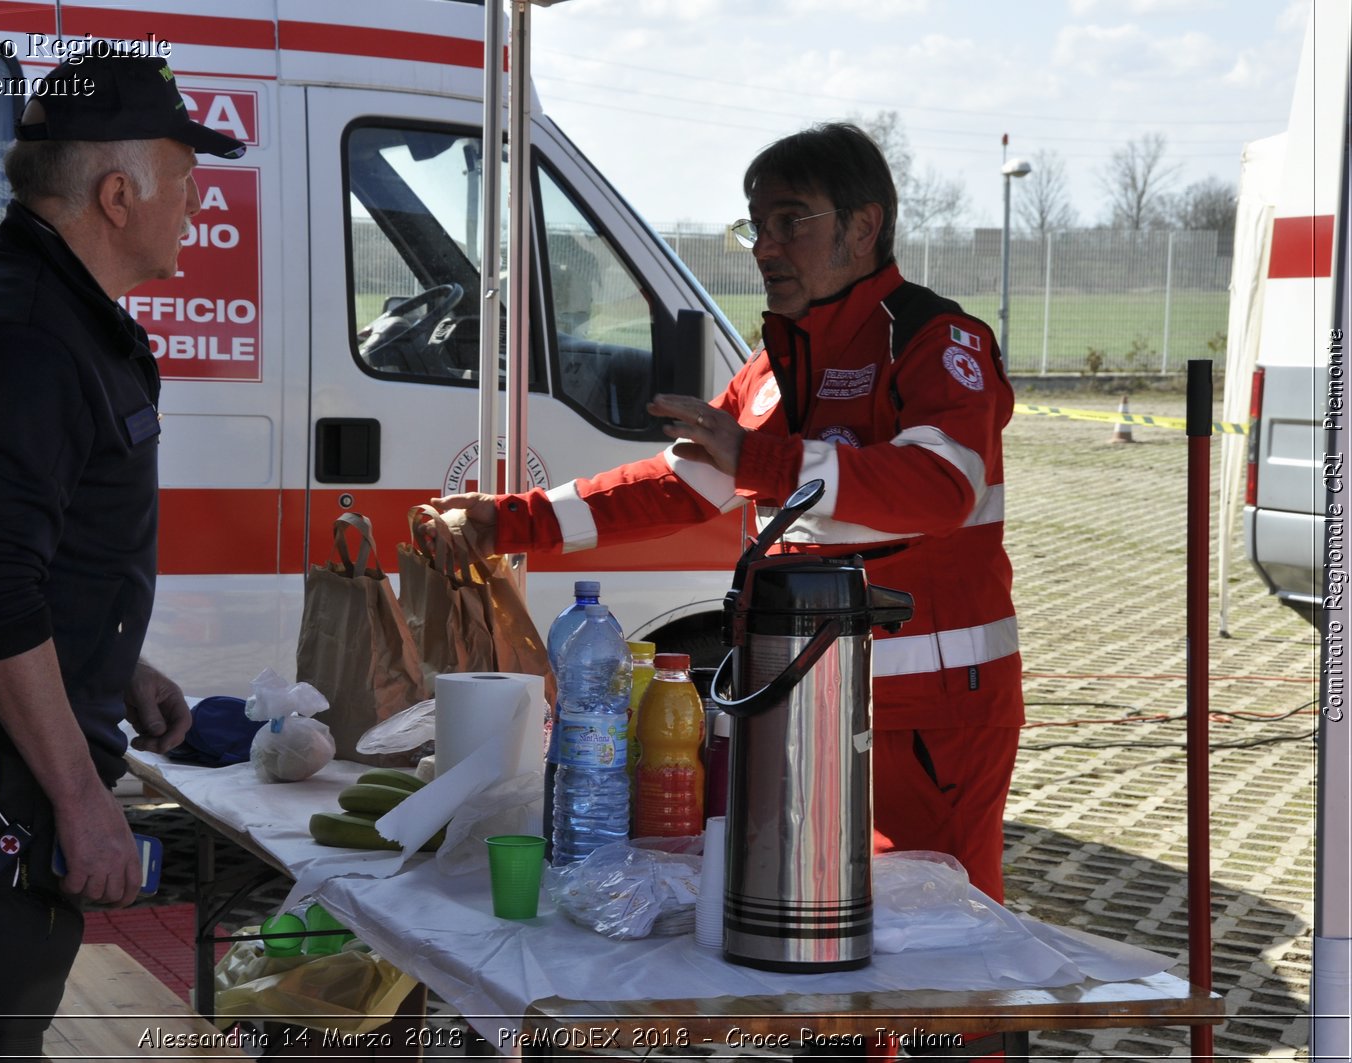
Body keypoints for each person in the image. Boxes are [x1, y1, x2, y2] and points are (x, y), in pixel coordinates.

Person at [435, 124, 1023, 906]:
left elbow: (941, 484)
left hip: (928, 716)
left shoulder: (933, 339)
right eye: (755, 225)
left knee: (942, 936)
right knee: (817, 920)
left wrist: (763, 461)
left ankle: (959, 1042)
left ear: (862, 226)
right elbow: (678, 485)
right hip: (802, 697)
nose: (764, 248)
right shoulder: (774, 364)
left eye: (790, 222)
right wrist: (511, 521)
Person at [0, 56, 245, 1059]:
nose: (196, 200)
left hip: (7, 737)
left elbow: (47, 550)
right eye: (183, 177)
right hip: (0, 760)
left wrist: (121, 666)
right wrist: (83, 804)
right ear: (117, 195)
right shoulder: (26, 336)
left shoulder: (53, 313)